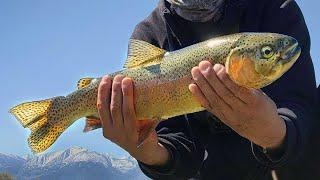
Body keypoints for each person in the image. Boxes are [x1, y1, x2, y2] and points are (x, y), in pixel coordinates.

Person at [96, 0, 317, 179]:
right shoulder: (150, 34)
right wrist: (147, 152)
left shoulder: (275, 8)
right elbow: (177, 149)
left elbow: (301, 104)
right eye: (268, 53)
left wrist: (274, 134)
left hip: (291, 166)